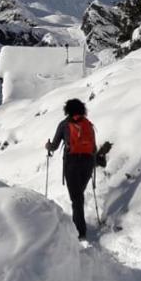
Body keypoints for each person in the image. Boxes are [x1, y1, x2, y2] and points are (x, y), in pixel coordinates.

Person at [46, 98, 97, 240]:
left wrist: (47, 146)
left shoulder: (64, 124)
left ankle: (80, 231)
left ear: (67, 110)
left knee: (76, 198)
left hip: (72, 163)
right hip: (87, 163)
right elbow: (94, 147)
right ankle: (79, 227)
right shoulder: (88, 124)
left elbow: (54, 146)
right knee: (78, 195)